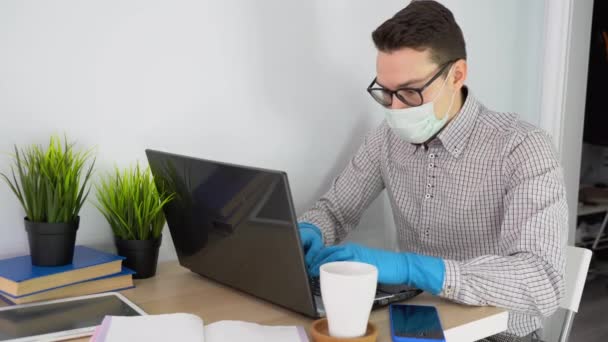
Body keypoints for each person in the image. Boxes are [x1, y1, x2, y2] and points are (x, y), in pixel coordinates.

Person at [297, 1, 566, 341]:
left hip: (495, 335)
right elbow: (335, 210)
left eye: (409, 92)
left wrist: (414, 268)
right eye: (385, 92)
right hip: (416, 324)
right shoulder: (386, 139)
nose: (394, 108)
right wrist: (309, 230)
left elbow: (542, 282)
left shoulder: (522, 147)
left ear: (456, 75)